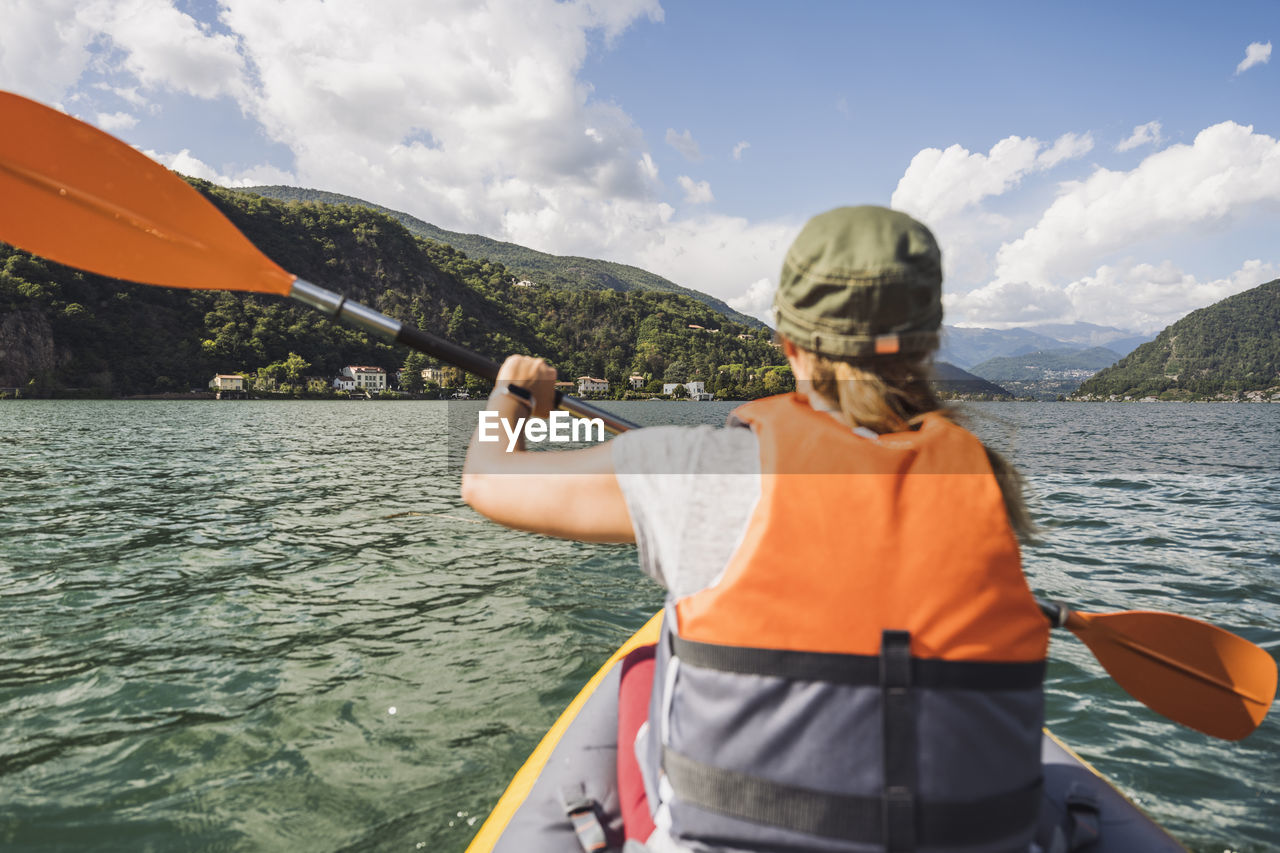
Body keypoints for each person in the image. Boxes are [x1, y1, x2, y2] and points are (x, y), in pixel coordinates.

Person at [462, 206, 1049, 853]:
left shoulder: (708, 470)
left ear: (790, 343)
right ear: (930, 343)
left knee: (640, 670)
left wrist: (512, 394)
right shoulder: (989, 484)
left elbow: (487, 479)